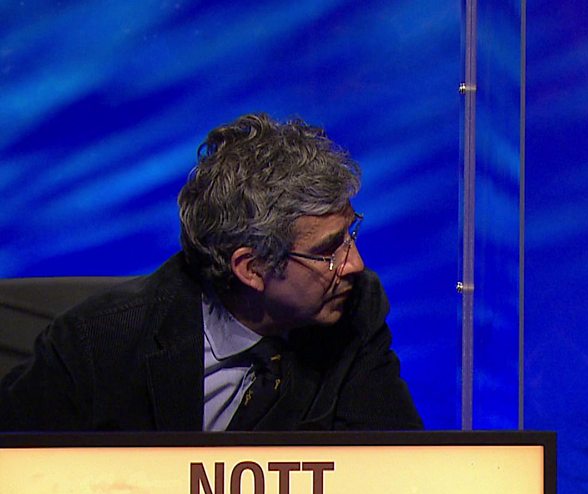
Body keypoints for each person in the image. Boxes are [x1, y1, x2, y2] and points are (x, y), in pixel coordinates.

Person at [0, 113, 423, 432]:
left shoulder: (355, 310)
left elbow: (396, 477)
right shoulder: (97, 346)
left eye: (350, 233)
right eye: (328, 250)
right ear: (251, 268)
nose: (355, 263)